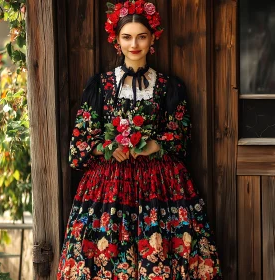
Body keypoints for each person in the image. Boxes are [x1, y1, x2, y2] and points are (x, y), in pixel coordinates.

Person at [57, 1, 222, 279]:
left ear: (152, 38)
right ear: (116, 40)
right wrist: (108, 147)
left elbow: (181, 134)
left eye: (141, 36)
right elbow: (80, 141)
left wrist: (156, 144)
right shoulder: (101, 85)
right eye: (127, 37)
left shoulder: (170, 86)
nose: (134, 44)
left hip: (159, 185)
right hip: (109, 186)